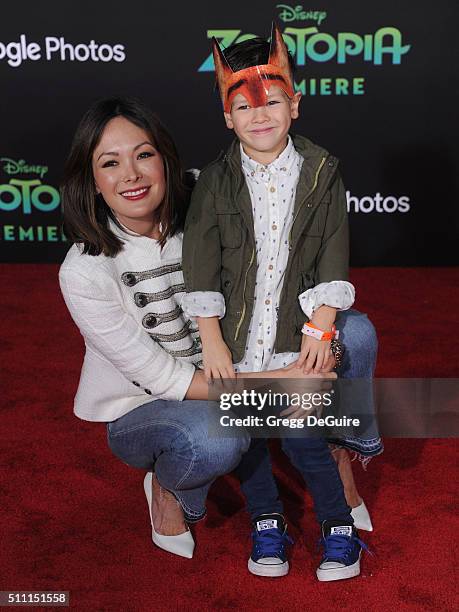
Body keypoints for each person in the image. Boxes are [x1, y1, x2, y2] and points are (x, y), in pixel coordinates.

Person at [58, 96, 331, 562]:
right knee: (218, 437)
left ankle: (342, 464)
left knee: (355, 332)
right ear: (92, 182)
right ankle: (168, 488)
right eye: (110, 163)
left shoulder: (209, 194)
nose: (131, 175)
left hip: (238, 363)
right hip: (146, 406)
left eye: (144, 154)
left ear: (165, 158)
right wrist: (277, 387)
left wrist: (320, 335)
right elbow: (168, 380)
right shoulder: (82, 272)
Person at [182, 24, 379, 580]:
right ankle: (267, 518)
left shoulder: (323, 171)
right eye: (243, 106)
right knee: (243, 441)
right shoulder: (214, 181)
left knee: (303, 439)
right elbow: (202, 262)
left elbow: (332, 253)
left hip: (295, 337)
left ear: (294, 104)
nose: (259, 115)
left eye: (271, 101)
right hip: (239, 343)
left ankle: (337, 526)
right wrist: (214, 340)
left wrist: (319, 330)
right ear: (227, 117)